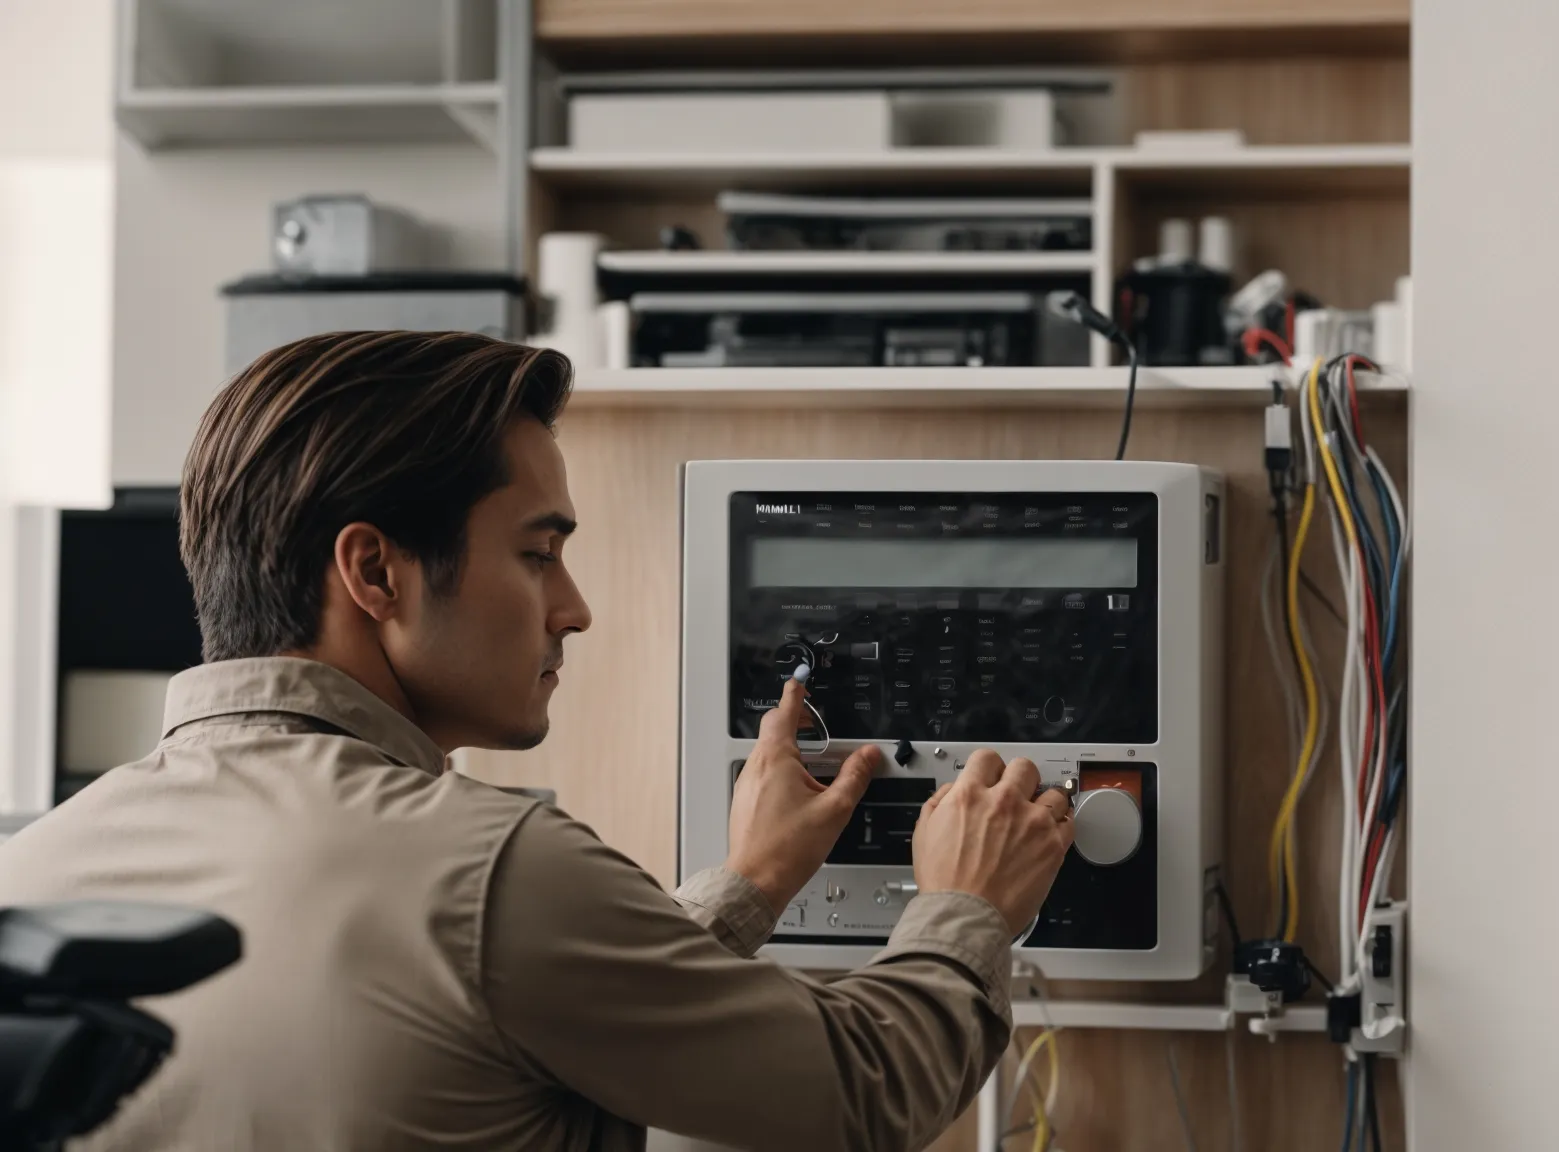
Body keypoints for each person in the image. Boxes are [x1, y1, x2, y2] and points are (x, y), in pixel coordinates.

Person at [0, 331, 1076, 1151]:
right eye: (536, 554)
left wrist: (750, 884)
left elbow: (490, 1011)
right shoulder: (491, 865)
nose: (573, 608)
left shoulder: (37, 871)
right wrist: (965, 907)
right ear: (374, 572)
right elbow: (863, 1089)